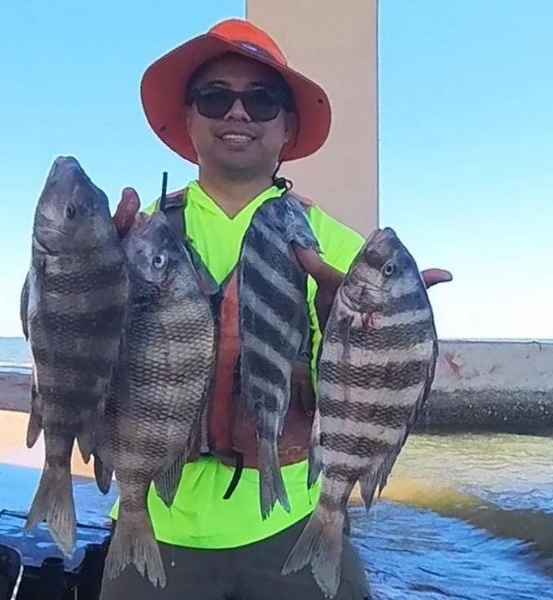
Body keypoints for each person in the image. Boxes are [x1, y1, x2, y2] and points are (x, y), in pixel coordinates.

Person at [105, 18, 452, 600]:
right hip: (154, 523)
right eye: (215, 97)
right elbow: (68, 357)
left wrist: (390, 340)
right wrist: (85, 275)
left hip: (293, 520)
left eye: (261, 101)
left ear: (287, 127)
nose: (237, 114)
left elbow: (364, 399)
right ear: (188, 120)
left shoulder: (339, 247)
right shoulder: (138, 239)